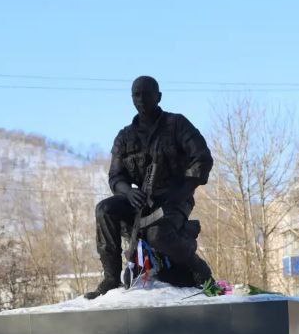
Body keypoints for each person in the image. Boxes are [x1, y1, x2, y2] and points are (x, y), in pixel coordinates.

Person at [86, 75, 215, 298]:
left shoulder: (176, 124)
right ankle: (111, 277)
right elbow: (116, 176)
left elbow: (202, 158)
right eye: (136, 94)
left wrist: (183, 190)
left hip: (174, 199)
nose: (141, 99)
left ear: (159, 96)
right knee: (104, 209)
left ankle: (196, 265)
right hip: (140, 200)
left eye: (146, 94)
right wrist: (128, 192)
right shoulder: (124, 137)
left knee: (157, 235)